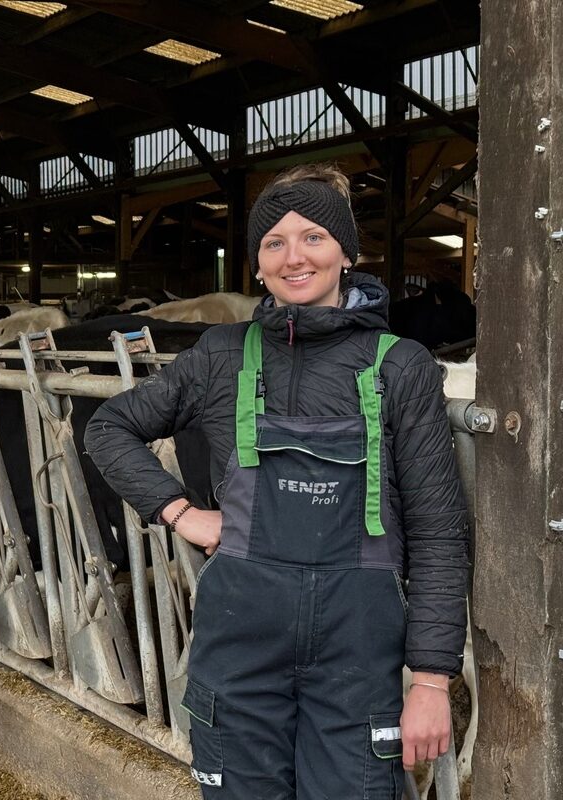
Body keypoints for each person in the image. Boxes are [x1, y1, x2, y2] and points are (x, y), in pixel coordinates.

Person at [84, 163, 469, 798]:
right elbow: (109, 427)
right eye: (274, 242)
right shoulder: (220, 355)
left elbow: (437, 532)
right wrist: (180, 511)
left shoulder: (401, 368)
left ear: (347, 253)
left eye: (314, 237)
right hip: (239, 648)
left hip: (356, 659)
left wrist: (430, 680)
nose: (295, 258)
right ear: (257, 265)